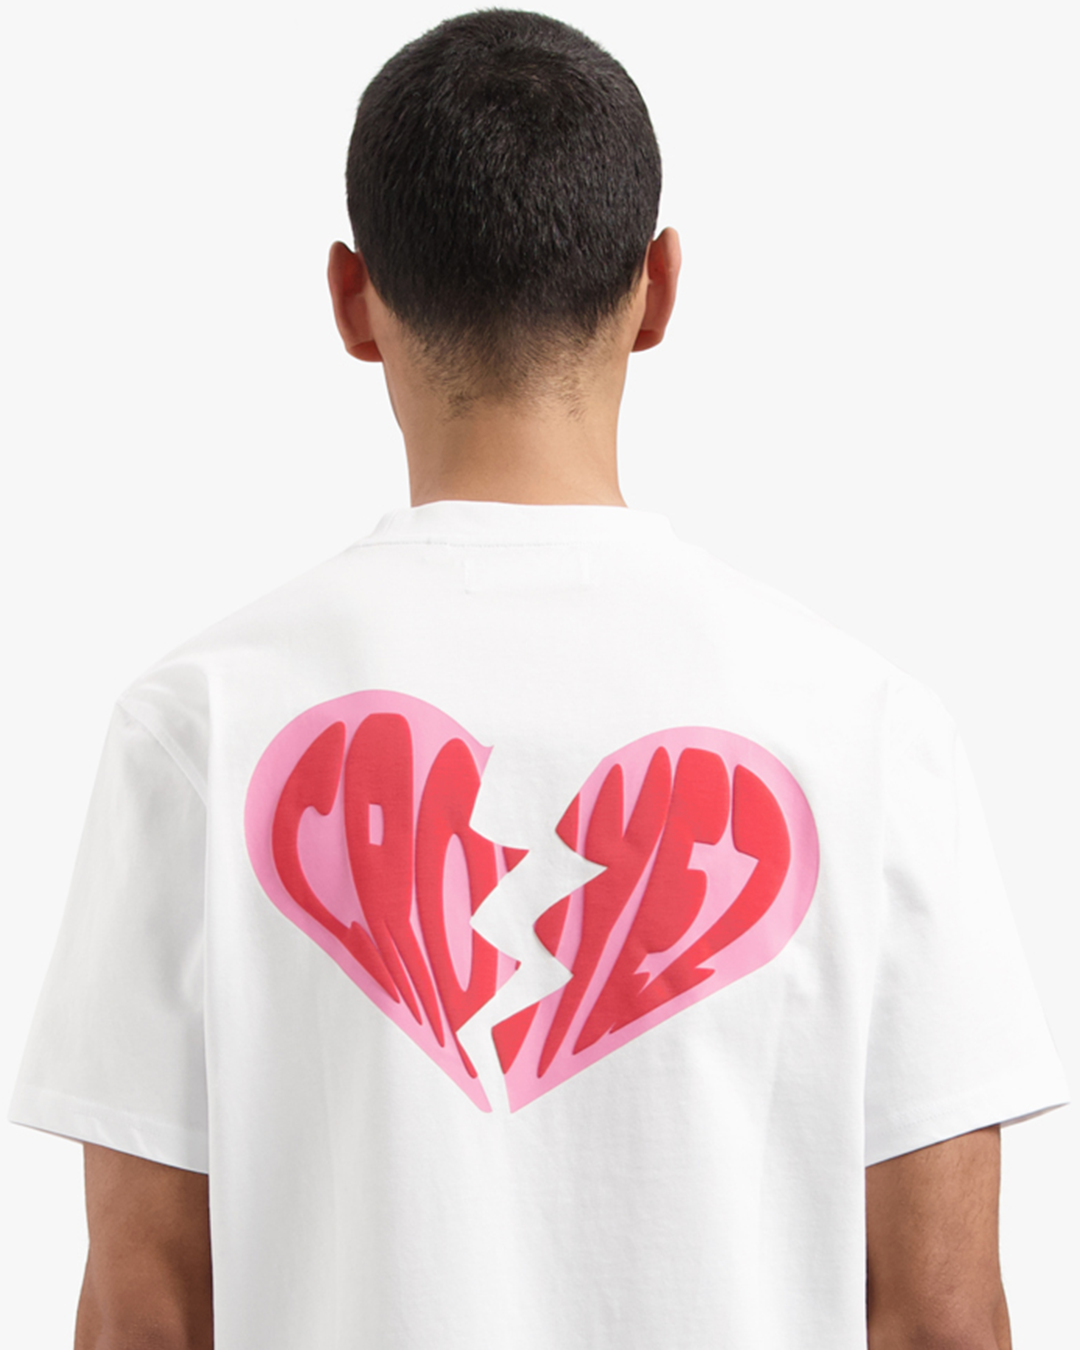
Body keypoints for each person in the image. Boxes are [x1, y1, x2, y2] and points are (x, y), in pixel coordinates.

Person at [7, 9, 1070, 1349]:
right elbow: (944, 1315)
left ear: (350, 301)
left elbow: (145, 1310)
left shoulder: (198, 726)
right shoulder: (868, 732)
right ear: (661, 287)